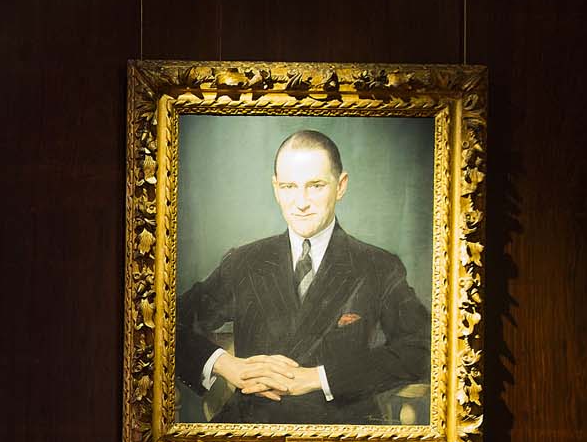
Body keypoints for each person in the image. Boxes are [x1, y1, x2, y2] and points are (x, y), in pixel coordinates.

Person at [177, 128, 428, 424]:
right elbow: (164, 324)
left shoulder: (378, 266)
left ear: (341, 185)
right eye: (288, 187)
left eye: (316, 185)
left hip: (344, 432)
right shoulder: (244, 262)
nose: (301, 202)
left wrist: (318, 378)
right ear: (275, 188)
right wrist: (226, 365)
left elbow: (420, 348)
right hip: (249, 430)